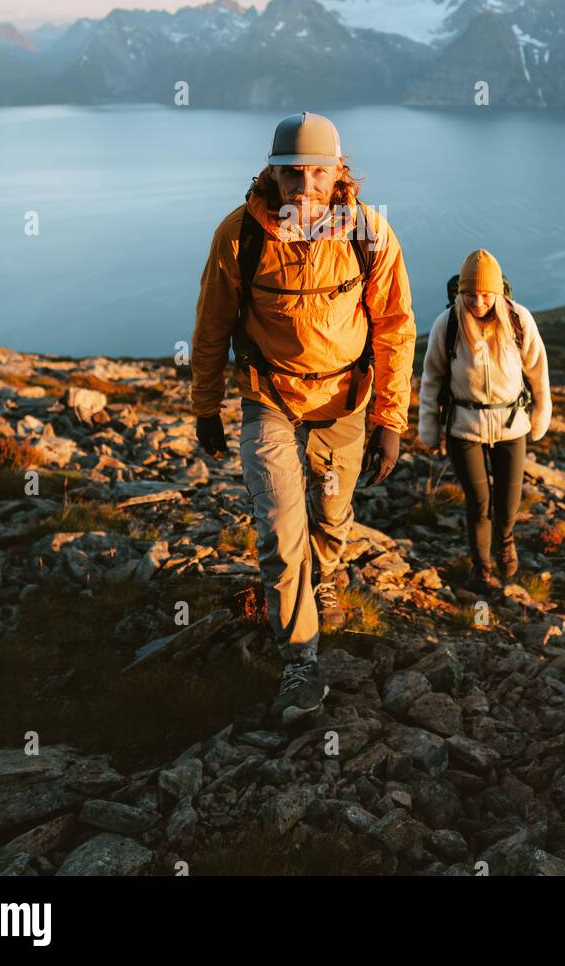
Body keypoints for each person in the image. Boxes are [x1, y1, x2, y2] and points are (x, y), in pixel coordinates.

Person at [191, 112, 416, 724]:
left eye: (318, 171)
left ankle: (331, 573)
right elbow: (211, 324)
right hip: (270, 399)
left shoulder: (369, 234)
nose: (305, 185)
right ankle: (299, 660)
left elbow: (395, 328)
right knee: (280, 525)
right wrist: (205, 404)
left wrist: (389, 421)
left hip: (345, 399)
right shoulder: (240, 235)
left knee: (333, 511)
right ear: (273, 172)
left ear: (339, 171)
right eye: (293, 172)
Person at [417, 249, 552, 594]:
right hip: (465, 427)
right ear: (461, 292)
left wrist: (540, 413)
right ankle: (482, 571)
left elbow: (538, 372)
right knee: (479, 503)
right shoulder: (446, 325)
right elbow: (431, 378)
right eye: (471, 294)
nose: (478, 301)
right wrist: (429, 425)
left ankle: (505, 540)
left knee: (508, 503)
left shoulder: (519, 319)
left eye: (485, 294)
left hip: (511, 426)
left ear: (499, 292)